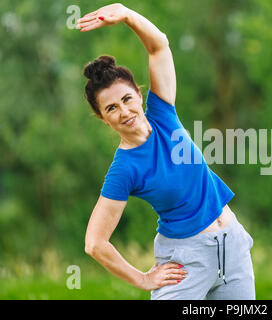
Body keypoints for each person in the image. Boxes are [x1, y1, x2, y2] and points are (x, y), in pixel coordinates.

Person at [77, 4, 255, 300]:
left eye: (126, 99)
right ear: (103, 118)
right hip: (186, 262)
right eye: (111, 108)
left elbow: (159, 46)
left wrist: (126, 14)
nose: (124, 111)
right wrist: (143, 279)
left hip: (233, 246)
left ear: (139, 93)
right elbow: (94, 243)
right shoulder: (124, 169)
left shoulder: (162, 113)